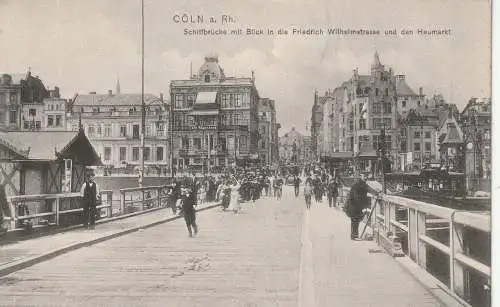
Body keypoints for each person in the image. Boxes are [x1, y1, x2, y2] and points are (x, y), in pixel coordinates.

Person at [345, 173, 379, 240]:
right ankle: (354, 236)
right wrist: (377, 193)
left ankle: (354, 236)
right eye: (364, 176)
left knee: (355, 221)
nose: (365, 178)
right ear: (360, 177)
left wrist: (376, 193)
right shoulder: (360, 185)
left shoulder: (360, 184)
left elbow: (369, 189)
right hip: (354, 205)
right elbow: (356, 196)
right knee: (355, 221)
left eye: (366, 176)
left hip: (354, 204)